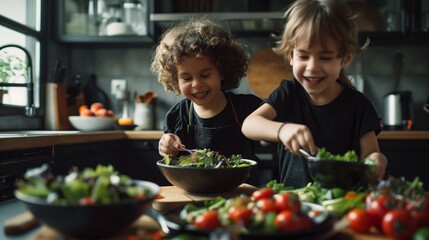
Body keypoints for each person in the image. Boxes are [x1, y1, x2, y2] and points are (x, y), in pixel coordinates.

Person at [241, 0, 387, 188]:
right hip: (293, 205)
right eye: (303, 56)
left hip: (342, 203)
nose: (312, 67)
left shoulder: (359, 105)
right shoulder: (289, 93)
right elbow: (249, 125)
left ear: (345, 59)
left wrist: (377, 161)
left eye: (325, 58)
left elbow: (371, 154)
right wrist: (282, 130)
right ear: (291, 56)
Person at [151, 17, 262, 161]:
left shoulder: (247, 107)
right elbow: (170, 153)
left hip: (241, 183)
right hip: (192, 184)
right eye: (187, 78)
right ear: (175, 79)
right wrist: (166, 145)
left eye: (205, 75)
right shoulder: (178, 115)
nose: (196, 84)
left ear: (221, 71)